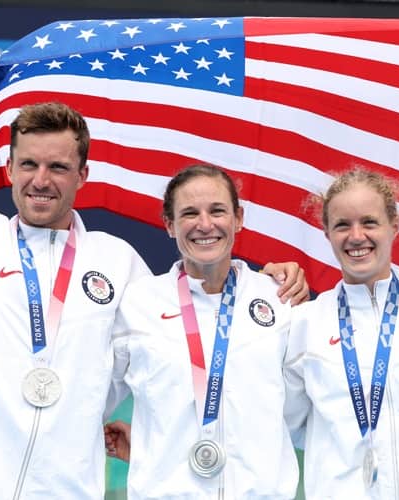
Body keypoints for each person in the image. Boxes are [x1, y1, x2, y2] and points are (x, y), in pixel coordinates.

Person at [0, 45, 307, 500]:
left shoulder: (119, 263)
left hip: (65, 490)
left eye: (59, 167)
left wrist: (261, 283)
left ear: (83, 175)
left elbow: (197, 345)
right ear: (8, 167)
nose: (41, 180)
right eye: (29, 164)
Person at [103, 164, 299, 499]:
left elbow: (304, 410)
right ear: (169, 224)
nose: (205, 224)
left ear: (238, 218)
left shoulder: (279, 299)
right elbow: (89, 394)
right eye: (190, 213)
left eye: (217, 211)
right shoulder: (138, 302)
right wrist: (155, 447)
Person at [283, 168, 399, 498]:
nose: (356, 236)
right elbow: (290, 425)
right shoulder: (305, 324)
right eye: (341, 225)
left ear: (394, 226)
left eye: (369, 222)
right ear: (326, 232)